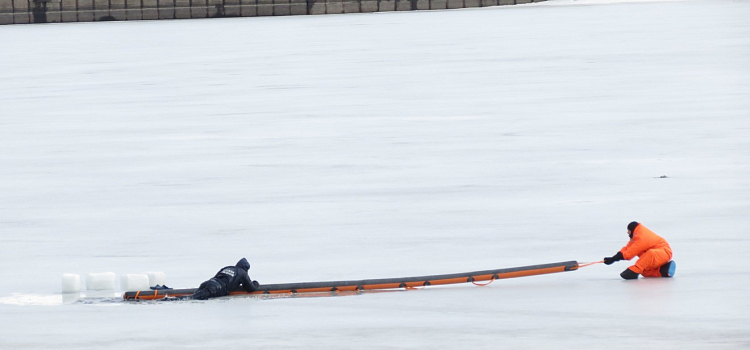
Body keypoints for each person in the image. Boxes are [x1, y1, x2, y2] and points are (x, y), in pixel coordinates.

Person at [603, 222, 676, 280]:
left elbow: (630, 253)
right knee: (644, 271)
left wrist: (615, 259)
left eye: (628, 231)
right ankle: (663, 271)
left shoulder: (641, 236)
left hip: (664, 252)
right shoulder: (636, 236)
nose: (628, 233)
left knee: (650, 254)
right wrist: (613, 258)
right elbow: (628, 248)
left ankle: (634, 271)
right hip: (657, 256)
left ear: (631, 230)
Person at [191, 258, 260, 300]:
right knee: (190, 299)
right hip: (216, 288)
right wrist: (255, 283)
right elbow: (251, 288)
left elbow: (216, 276)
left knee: (192, 296)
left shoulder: (227, 267)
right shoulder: (242, 273)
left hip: (208, 283)